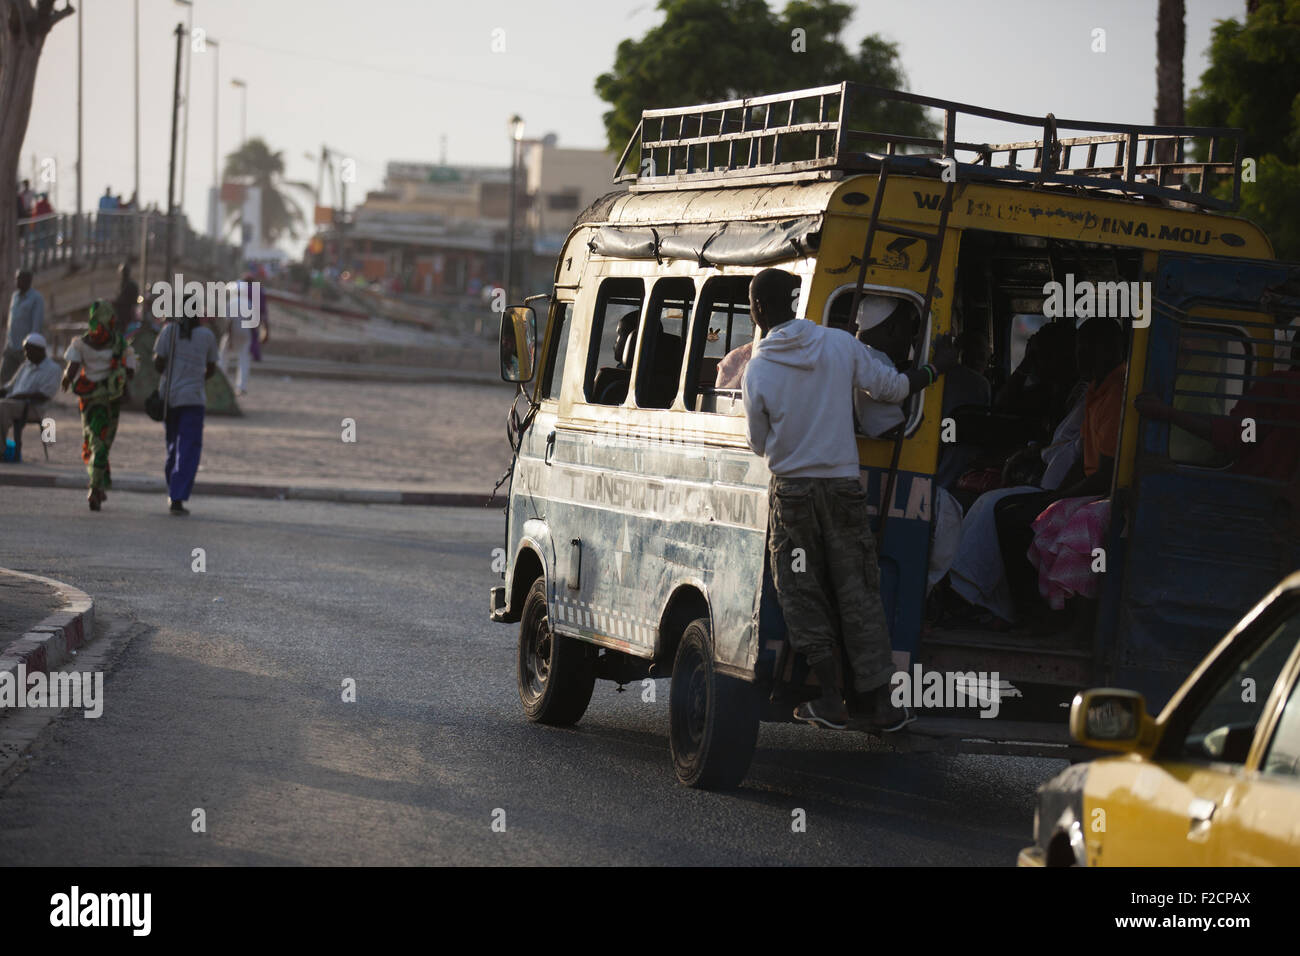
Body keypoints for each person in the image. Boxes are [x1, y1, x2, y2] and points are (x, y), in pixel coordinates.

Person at [742, 268, 958, 731]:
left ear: (758, 311)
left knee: (801, 591)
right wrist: (935, 368)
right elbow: (896, 389)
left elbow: (758, 445)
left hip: (793, 497)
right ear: (796, 302)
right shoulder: (840, 345)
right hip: (842, 489)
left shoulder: (757, 368)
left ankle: (830, 697)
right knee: (858, 590)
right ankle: (881, 702)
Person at [992, 315, 1127, 628]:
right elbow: (1083, 457)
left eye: (1088, 349)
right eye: (1079, 348)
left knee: (1016, 520)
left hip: (1104, 491)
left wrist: (1060, 498)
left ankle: (1042, 617)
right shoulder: (1096, 387)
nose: (1080, 356)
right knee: (1009, 509)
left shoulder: (1117, 390)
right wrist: (1054, 495)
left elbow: (1107, 473)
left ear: (1109, 350)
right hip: (1087, 485)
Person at [61, 301, 138, 510]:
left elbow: (130, 370)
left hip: (109, 401)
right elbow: (72, 367)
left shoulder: (119, 345)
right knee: (98, 442)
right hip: (93, 402)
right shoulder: (82, 344)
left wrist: (122, 371)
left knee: (100, 442)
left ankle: (98, 485)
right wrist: (67, 378)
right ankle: (95, 487)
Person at [153, 310, 218, 515]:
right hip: (193, 399)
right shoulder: (207, 336)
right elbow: (212, 367)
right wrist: (194, 378)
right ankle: (177, 496)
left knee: (172, 446)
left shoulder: (168, 331)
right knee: (188, 449)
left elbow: (158, 362)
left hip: (170, 398)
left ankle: (172, 486)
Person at [0, 332, 60, 456]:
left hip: (33, 407)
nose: (26, 354)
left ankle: (1, 451)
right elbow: (10, 387)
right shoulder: (26, 366)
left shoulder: (53, 369)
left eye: (28, 351)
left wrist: (20, 396)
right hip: (14, 403)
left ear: (39, 350)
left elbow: (45, 395)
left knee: (2, 407)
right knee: (3, 405)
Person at [4, 270, 45, 384]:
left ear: (28, 281)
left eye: (19, 279)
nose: (17, 282)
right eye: (16, 279)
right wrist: (7, 345)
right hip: (11, 346)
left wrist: (31, 348)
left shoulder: (36, 299)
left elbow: (36, 326)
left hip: (25, 349)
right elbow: (11, 323)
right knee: (4, 378)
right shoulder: (15, 296)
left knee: (25, 380)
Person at [112, 261, 140, 336]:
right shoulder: (120, 285)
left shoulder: (132, 285)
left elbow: (135, 302)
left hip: (128, 317)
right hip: (120, 317)